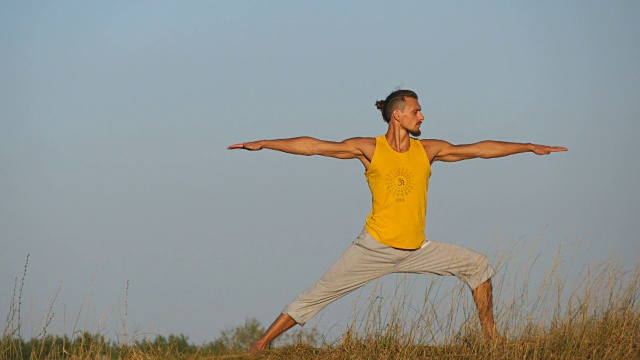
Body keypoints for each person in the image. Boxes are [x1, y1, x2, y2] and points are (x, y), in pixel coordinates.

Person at [227, 89, 567, 352]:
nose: (422, 116)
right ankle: (260, 346)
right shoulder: (368, 148)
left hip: (417, 247)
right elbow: (314, 146)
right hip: (373, 248)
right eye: (416, 110)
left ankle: (492, 338)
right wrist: (264, 144)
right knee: (316, 295)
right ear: (397, 115)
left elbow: (477, 149)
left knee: (479, 268)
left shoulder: (428, 150)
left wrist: (527, 146)